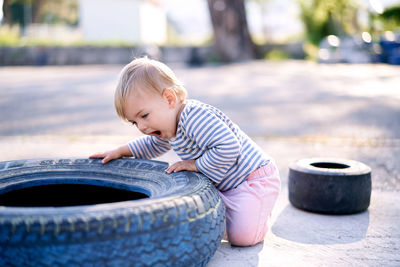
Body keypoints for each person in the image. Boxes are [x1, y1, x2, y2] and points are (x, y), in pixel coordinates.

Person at [90, 57, 281, 246]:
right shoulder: (170, 127)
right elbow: (151, 144)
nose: (141, 126)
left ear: (169, 99)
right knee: (197, 211)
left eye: (144, 116)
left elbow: (229, 147)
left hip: (253, 179)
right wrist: (120, 151)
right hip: (227, 184)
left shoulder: (194, 116)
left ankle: (259, 217)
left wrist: (195, 164)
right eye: (134, 122)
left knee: (242, 237)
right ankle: (242, 213)